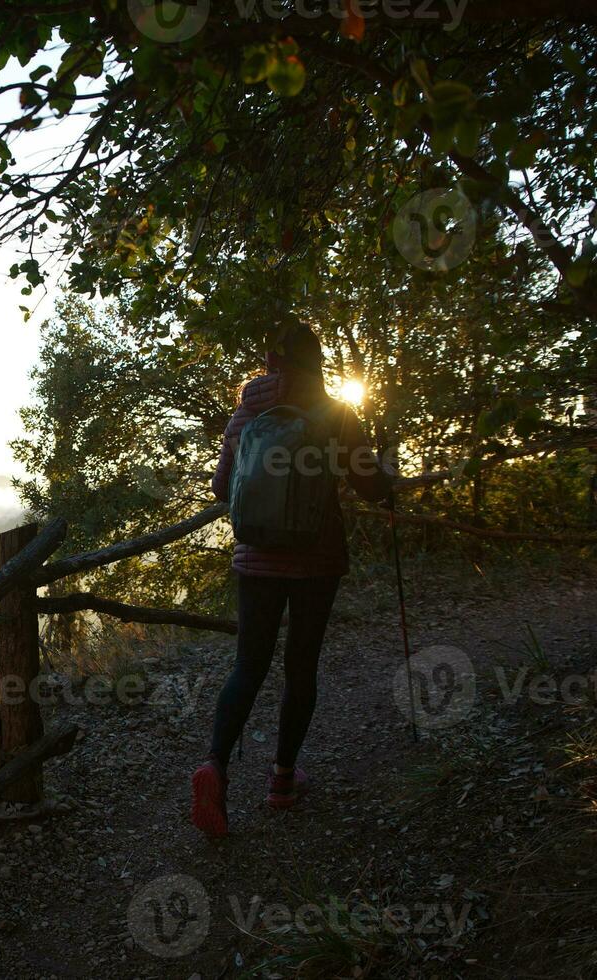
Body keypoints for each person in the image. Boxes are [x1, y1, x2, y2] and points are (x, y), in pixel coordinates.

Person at [191, 320, 393, 840]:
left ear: (270, 362)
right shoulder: (336, 413)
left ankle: (215, 765)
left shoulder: (246, 412)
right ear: (316, 360)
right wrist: (389, 485)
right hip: (315, 562)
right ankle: (283, 781)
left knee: (248, 665)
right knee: (301, 667)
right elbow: (368, 484)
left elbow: (220, 488)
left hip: (255, 559)